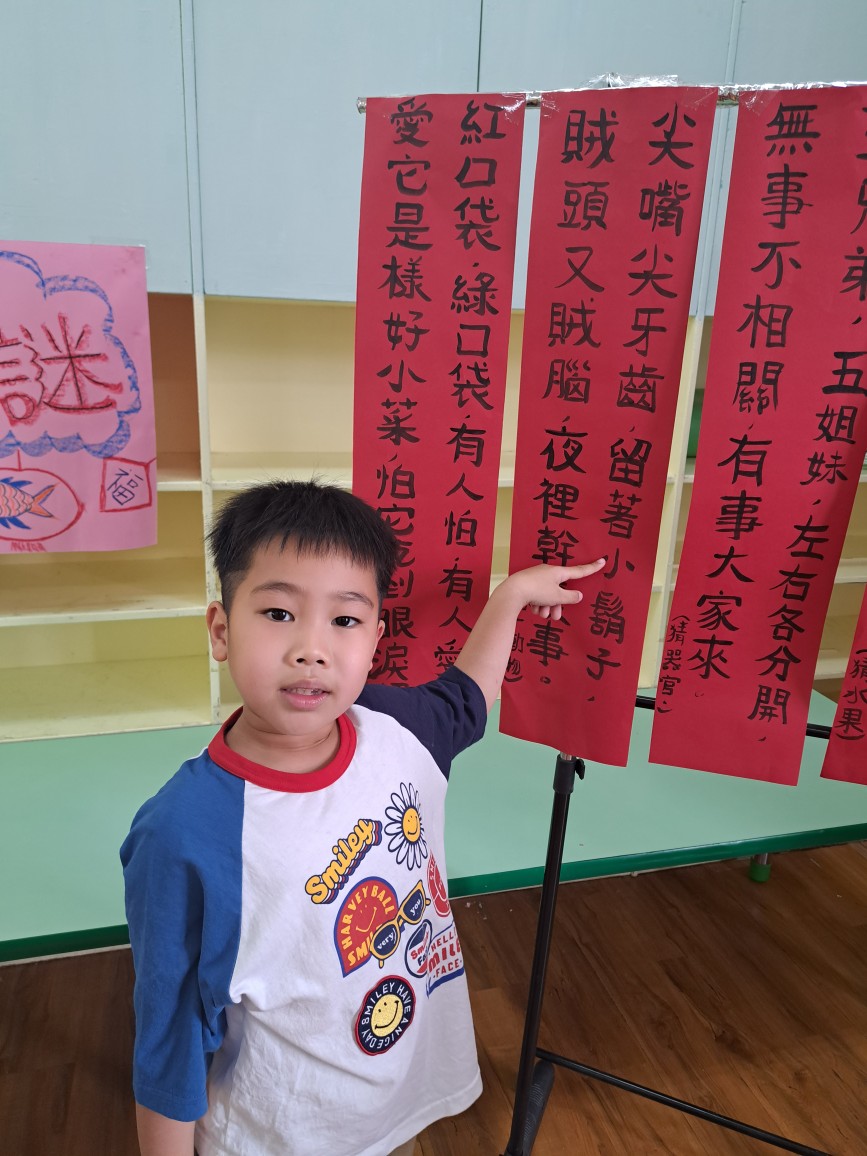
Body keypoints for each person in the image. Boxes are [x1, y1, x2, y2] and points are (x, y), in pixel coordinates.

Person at [121, 479, 604, 1156]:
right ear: (221, 630)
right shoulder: (184, 832)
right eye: (279, 613)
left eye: (344, 621)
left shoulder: (394, 727)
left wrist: (513, 596)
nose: (311, 648)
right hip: (279, 1135)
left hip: (392, 1096)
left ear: (375, 638)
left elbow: (465, 700)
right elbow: (170, 1039)